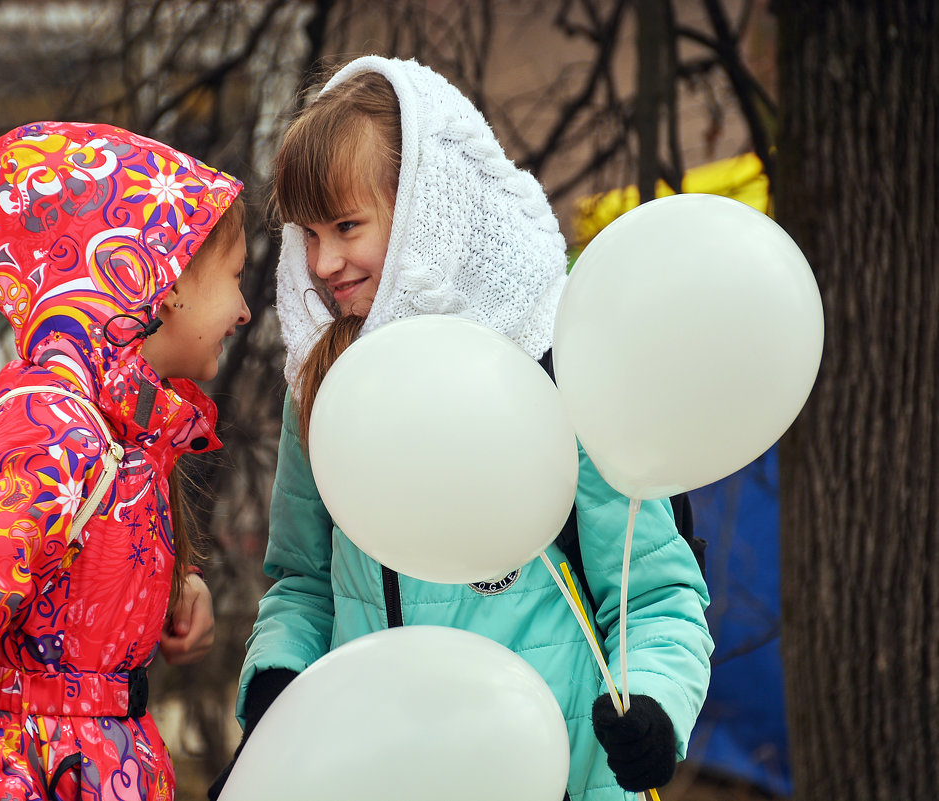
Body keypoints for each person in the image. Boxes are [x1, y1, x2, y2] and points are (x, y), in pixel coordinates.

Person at [211, 57, 713, 801]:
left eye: (347, 226)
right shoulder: (321, 387)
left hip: (562, 775)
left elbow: (652, 595)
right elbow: (302, 581)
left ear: (427, 211)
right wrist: (278, 688)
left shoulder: (552, 368)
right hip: (382, 773)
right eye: (307, 234)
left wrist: (654, 708)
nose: (324, 261)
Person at [0, 121, 250, 801]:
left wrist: (165, 594)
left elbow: (59, 597)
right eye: (236, 280)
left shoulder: (121, 432)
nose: (245, 310)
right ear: (162, 279)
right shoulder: (49, 434)